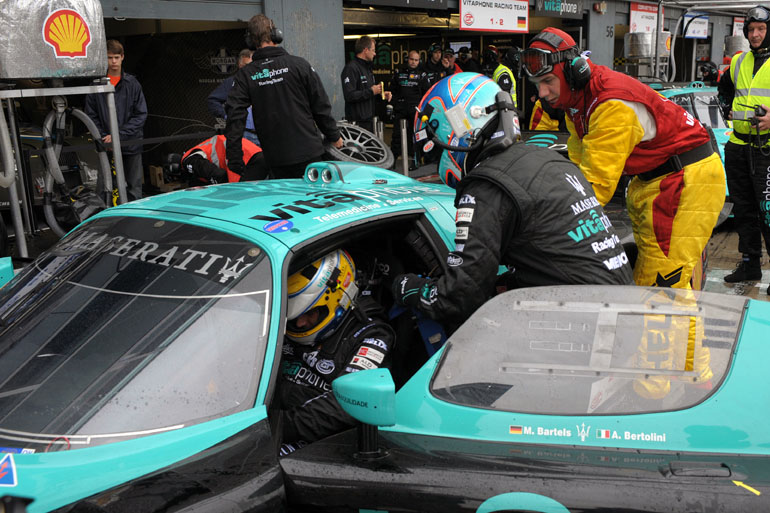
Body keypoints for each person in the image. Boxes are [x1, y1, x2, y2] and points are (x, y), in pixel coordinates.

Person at [392, 73, 633, 328]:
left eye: (438, 148)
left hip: (583, 327)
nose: (440, 157)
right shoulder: (549, 161)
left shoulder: (488, 185)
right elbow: (556, 252)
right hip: (621, 311)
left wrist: (409, 288)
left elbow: (459, 295)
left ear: (460, 125)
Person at [521, 27, 725, 290]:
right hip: (656, 181)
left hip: (685, 183)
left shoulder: (610, 104)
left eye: (548, 81)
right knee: (650, 284)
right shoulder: (578, 102)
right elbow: (577, 171)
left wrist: (538, 223)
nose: (543, 93)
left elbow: (594, 188)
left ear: (574, 71)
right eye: (538, 85)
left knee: (660, 291)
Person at [278, 249, 395, 455]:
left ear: (336, 299)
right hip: (261, 420)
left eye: (309, 313)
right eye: (293, 315)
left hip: (314, 440)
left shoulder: (371, 335)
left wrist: (278, 428)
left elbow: (346, 405)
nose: (300, 323)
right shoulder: (281, 322)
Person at [225, 14, 342, 180]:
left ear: (251, 42)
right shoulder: (299, 65)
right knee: (316, 202)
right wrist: (334, 136)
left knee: (285, 204)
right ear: (276, 35)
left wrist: (234, 156)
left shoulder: (246, 75)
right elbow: (320, 105)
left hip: (276, 159)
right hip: (309, 154)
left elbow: (235, 115)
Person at [717, 6, 770, 292]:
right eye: (751, 30)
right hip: (738, 146)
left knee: (768, 211)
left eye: (761, 29)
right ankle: (750, 262)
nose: (756, 34)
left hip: (767, 150)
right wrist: (725, 105)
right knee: (745, 210)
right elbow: (723, 88)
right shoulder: (739, 62)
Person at [84, 39, 147, 202]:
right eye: (110, 57)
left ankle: (134, 221)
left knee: (134, 187)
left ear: (123, 57)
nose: (113, 61)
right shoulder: (96, 85)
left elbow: (141, 115)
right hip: (106, 146)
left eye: (116, 57)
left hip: (131, 144)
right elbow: (90, 115)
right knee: (105, 187)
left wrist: (118, 135)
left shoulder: (133, 84)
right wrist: (105, 138)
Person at [206, 49, 260, 145]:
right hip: (243, 133)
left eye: (253, 65)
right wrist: (227, 115)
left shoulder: (262, 80)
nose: (250, 69)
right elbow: (212, 100)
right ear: (240, 65)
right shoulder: (232, 82)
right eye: (246, 66)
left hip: (263, 133)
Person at [341, 36, 391, 133]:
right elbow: (349, 95)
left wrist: (381, 94)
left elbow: (369, 94)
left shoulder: (368, 68)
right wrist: (371, 91)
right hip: (356, 123)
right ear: (365, 50)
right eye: (373, 50)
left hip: (370, 121)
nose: (375, 53)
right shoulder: (351, 68)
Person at [389, 50, 427, 169]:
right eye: (411, 59)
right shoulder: (398, 73)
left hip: (415, 111)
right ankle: (392, 162)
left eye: (416, 60)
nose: (413, 62)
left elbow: (427, 95)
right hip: (400, 109)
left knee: (416, 136)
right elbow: (392, 92)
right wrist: (393, 105)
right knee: (396, 137)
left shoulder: (422, 75)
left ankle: (415, 161)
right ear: (407, 59)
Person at [176, 134, 266, 184]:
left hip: (247, 159)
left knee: (242, 198)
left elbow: (216, 174)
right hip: (254, 154)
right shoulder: (200, 149)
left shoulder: (188, 160)